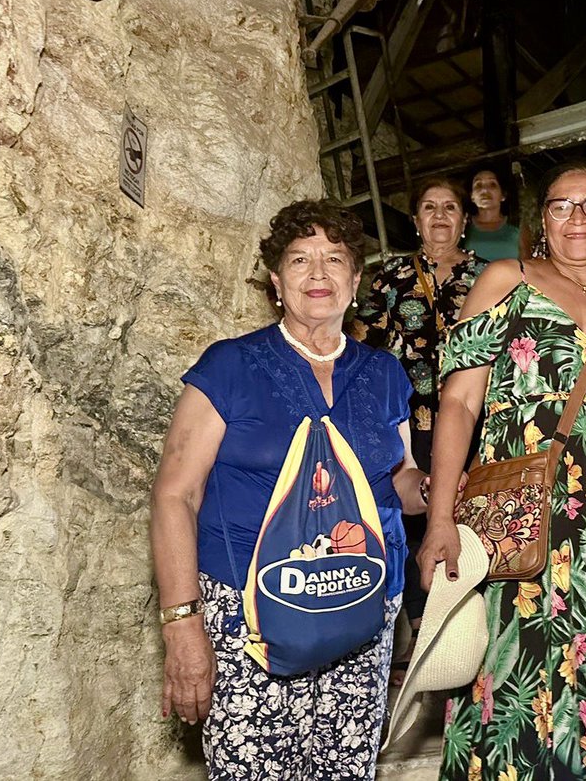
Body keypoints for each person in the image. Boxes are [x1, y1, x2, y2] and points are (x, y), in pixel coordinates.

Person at [150, 199, 427, 779]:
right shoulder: (230, 366)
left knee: (345, 767)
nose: (319, 274)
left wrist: (442, 490)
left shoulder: (383, 374)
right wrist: (181, 625)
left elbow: (398, 477)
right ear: (277, 281)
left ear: (357, 279)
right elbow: (176, 495)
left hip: (359, 609)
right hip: (248, 621)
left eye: (335, 259)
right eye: (301, 260)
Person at [418, 159, 586, 781]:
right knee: (510, 680)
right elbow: (459, 401)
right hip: (517, 523)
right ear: (541, 220)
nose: (577, 219)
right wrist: (440, 519)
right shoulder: (507, 278)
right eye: (561, 206)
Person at [355, 176, 488, 685]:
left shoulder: (489, 275)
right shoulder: (389, 277)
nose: (439, 216)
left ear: (464, 219)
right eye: (428, 207)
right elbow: (363, 343)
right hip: (407, 419)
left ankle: (467, 626)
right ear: (415, 220)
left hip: (474, 414)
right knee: (410, 519)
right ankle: (424, 631)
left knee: (466, 510)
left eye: (449, 207)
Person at [465, 167, 522, 262]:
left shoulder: (518, 225)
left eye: (492, 184)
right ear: (472, 196)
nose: (485, 190)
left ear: (503, 195)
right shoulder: (463, 226)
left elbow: (527, 263)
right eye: (478, 185)